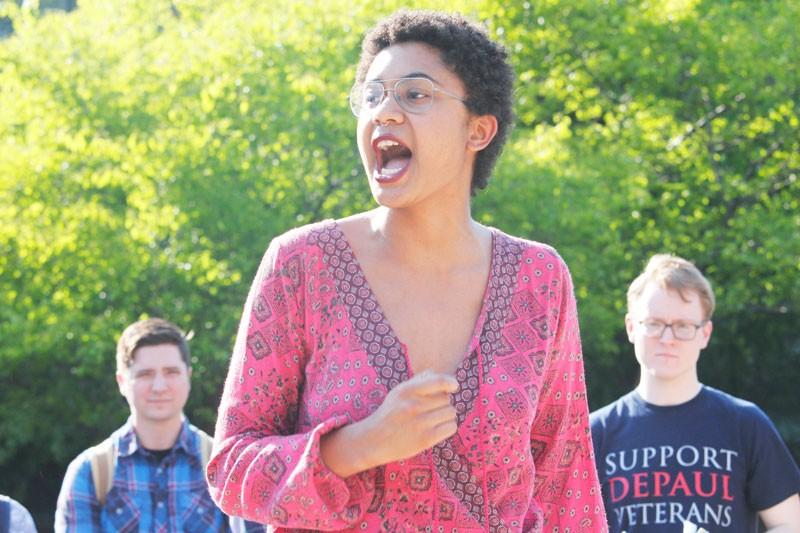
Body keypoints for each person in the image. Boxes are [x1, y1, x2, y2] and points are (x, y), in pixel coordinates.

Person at [207, 9, 607, 532]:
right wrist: (356, 447)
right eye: (372, 97)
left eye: (415, 95)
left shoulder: (540, 278)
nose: (385, 113)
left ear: (478, 130)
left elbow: (566, 485)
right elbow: (230, 469)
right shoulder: (301, 264)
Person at [590, 254, 800, 532]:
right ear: (631, 327)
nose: (667, 339)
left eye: (683, 326)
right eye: (653, 323)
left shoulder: (745, 424)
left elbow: (789, 523)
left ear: (705, 333)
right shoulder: (595, 433)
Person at [55, 318, 254, 532]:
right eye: (145, 374)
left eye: (171, 372)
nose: (159, 386)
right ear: (122, 382)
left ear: (188, 376)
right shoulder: (90, 472)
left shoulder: (225, 466)